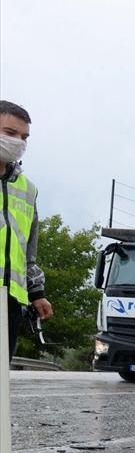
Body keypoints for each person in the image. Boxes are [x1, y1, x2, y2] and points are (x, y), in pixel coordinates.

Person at [1, 99, 51, 359]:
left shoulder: (27, 189)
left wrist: (37, 293)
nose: (18, 142)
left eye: (24, 137)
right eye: (10, 134)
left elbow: (27, 253)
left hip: (8, 302)